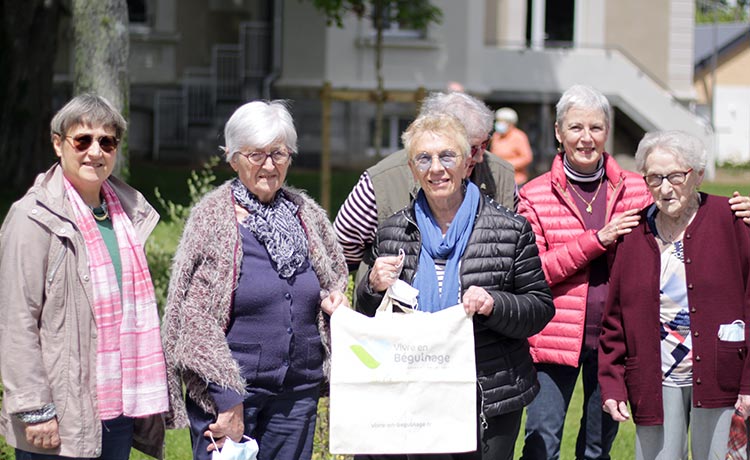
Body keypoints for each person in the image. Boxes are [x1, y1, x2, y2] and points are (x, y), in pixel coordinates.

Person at [517, 84, 750, 460]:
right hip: (559, 338)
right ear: (559, 133)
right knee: (542, 442)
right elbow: (531, 272)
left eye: (596, 127)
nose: (586, 138)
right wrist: (598, 240)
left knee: (597, 446)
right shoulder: (538, 195)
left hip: (662, 350)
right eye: (576, 128)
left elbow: (687, 210)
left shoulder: (641, 191)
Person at [356, 113, 555, 460]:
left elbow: (539, 308)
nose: (436, 168)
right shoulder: (392, 231)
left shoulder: (510, 229)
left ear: (467, 162)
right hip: (413, 394)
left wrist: (494, 304)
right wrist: (372, 287)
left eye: (447, 156)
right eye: (424, 158)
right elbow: (371, 318)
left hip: (489, 394)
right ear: (412, 168)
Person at [161, 100, 349, 460]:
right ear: (233, 158)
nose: (268, 165)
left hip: (297, 393)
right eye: (256, 154)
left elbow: (332, 278)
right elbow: (194, 318)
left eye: (278, 153)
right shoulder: (214, 219)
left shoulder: (306, 214)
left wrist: (332, 299)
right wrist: (228, 401)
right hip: (230, 396)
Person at [0, 94, 169, 459]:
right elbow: (16, 322)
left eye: (106, 142)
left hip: (117, 408)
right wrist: (35, 409)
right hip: (58, 413)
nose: (95, 151)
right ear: (58, 144)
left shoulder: (127, 215)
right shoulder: (32, 218)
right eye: (83, 140)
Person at [599, 130, 750, 460]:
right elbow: (614, 319)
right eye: (655, 178)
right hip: (654, 378)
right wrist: (611, 382)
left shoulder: (733, 219)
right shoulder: (632, 233)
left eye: (676, 176)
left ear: (696, 174)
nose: (665, 188)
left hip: (721, 374)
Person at [333, 91, 516, 297]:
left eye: (485, 145)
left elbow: (520, 265)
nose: (481, 157)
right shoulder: (382, 181)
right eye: (473, 148)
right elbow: (340, 250)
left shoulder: (502, 175)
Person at [489, 107, 534, 185]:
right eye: (498, 121)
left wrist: (506, 165)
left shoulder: (519, 136)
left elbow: (527, 158)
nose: (499, 124)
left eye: (502, 121)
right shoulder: (496, 136)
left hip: (515, 180)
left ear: (511, 124)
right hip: (497, 179)